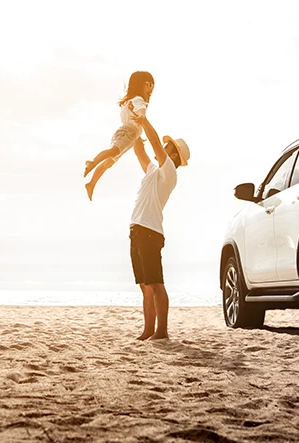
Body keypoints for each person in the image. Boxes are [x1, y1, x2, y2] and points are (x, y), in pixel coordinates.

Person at [128, 114, 190, 340]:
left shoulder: (169, 172)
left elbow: (154, 143)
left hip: (150, 232)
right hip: (137, 230)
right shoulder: (153, 170)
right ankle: (148, 331)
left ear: (173, 154)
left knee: (155, 282)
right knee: (145, 285)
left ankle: (161, 331)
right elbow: (140, 151)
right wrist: (133, 127)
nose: (161, 147)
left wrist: (143, 120)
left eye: (166, 146)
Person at [83, 71, 155, 201]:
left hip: (128, 134)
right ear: (146, 84)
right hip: (128, 134)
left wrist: (138, 135)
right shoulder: (138, 100)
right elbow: (141, 111)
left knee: (109, 161)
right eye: (150, 86)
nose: (151, 91)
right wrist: (142, 118)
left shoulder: (130, 101)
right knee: (113, 151)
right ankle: (93, 162)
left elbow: (131, 119)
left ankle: (91, 183)